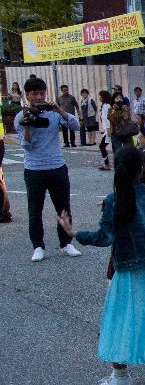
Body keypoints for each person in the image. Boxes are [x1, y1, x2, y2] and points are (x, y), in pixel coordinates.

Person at [59, 148, 145, 385]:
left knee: (120, 319)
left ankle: (120, 375)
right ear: (141, 168)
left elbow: (104, 237)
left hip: (128, 269)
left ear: (116, 167)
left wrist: (73, 234)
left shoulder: (114, 199)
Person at [16, 77, 81, 262]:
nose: (39, 97)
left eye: (41, 93)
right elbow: (27, 146)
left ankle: (66, 243)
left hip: (57, 167)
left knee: (63, 207)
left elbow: (75, 125)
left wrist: (59, 110)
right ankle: (38, 246)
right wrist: (28, 128)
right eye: (34, 94)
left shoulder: (53, 113)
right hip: (34, 169)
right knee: (35, 210)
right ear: (27, 96)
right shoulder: (21, 117)